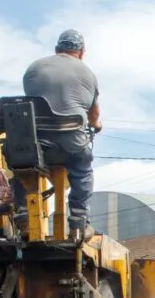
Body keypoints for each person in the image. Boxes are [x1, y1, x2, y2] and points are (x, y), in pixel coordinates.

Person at [11, 28, 102, 240]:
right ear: (82, 52)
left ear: (56, 49)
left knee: (22, 167)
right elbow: (93, 114)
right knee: (82, 170)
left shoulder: (34, 68)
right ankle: (79, 224)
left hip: (37, 142)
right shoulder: (88, 73)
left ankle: (24, 219)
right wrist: (96, 124)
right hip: (72, 141)